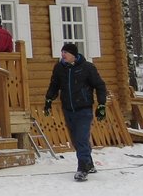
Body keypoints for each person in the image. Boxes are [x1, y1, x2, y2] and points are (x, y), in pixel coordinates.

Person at [44, 42, 108, 181]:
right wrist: (48, 100)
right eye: (62, 52)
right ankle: (89, 163)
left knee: (81, 137)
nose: (63, 55)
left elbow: (100, 85)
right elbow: (54, 85)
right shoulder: (59, 68)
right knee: (76, 139)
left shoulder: (87, 67)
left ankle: (82, 168)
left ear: (74, 55)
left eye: (65, 53)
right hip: (68, 108)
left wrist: (101, 104)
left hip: (84, 109)